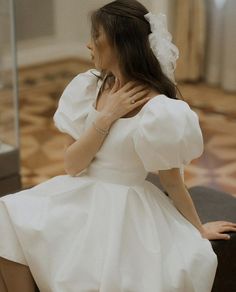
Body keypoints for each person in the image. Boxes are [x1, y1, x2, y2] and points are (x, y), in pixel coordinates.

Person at [0, 0, 236, 291]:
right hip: (80, 193)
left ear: (120, 43)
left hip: (126, 211)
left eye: (96, 36)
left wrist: (198, 229)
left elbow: (173, 183)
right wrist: (105, 116)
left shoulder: (160, 111)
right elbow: (73, 165)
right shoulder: (88, 87)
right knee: (7, 217)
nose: (89, 45)